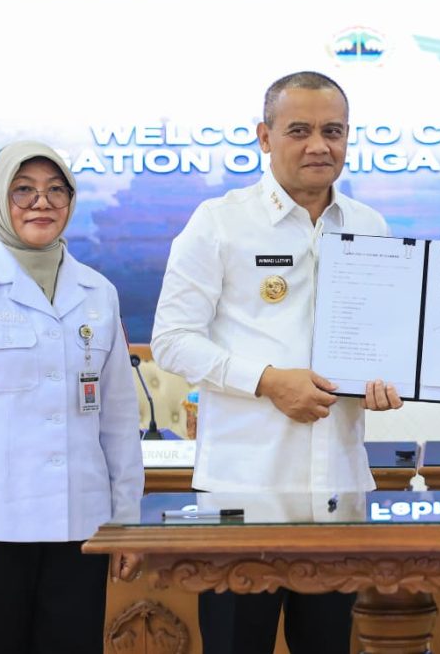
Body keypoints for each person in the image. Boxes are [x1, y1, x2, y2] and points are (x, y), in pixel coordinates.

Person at [151, 71, 402, 654]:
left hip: (338, 490)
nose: (319, 145)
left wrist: (390, 380)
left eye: (333, 131)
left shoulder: (369, 226)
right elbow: (172, 340)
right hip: (243, 492)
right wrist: (266, 381)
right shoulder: (219, 221)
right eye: (299, 130)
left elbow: (381, 340)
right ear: (264, 137)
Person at [0, 140, 145, 654]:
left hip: (80, 529)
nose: (42, 202)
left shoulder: (98, 291)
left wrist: (126, 521)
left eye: (56, 190)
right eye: (23, 190)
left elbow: (117, 419)